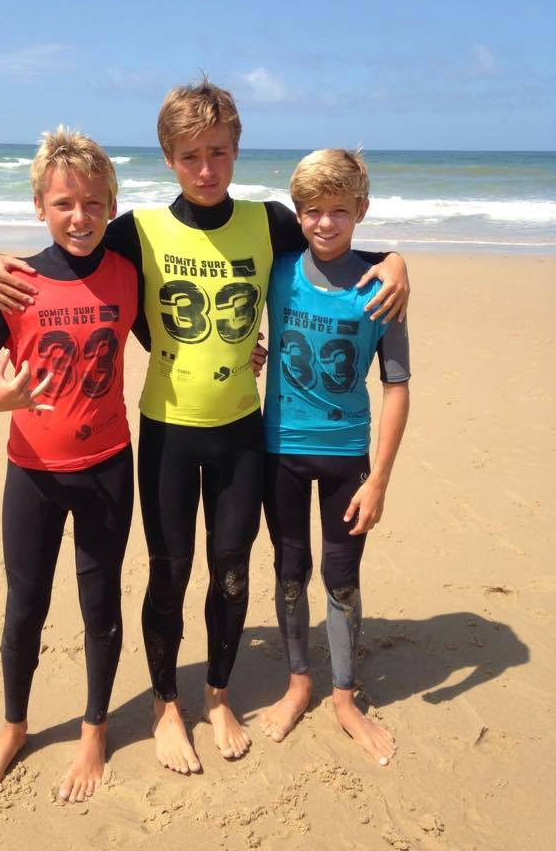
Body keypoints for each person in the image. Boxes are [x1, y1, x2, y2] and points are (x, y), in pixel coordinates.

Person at [0, 80, 410, 775]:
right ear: (168, 159)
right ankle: (165, 704)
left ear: (235, 152)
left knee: (232, 571)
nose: (206, 169)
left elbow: (340, 234)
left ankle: (215, 695)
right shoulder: (137, 229)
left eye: (218, 153)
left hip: (241, 433)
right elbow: (62, 246)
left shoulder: (269, 223)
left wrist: (395, 262)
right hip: (167, 432)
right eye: (189, 156)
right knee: (170, 573)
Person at [0, 128, 137, 802]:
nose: (80, 215)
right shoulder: (17, 281)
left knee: (99, 604)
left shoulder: (127, 273)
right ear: (40, 206)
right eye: (64, 203)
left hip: (108, 469)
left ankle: (94, 727)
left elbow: (170, 333)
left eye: (93, 202)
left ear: (111, 206)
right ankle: (13, 726)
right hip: (30, 471)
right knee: (24, 604)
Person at [255, 148, 410, 766]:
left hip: (348, 457)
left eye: (338, 211)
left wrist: (379, 480)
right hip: (280, 453)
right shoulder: (279, 268)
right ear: (298, 214)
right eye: (312, 211)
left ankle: (344, 696)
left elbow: (396, 385)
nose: (324, 223)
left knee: (341, 578)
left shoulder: (380, 286)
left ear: (361, 210)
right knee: (290, 571)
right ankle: (300, 683)